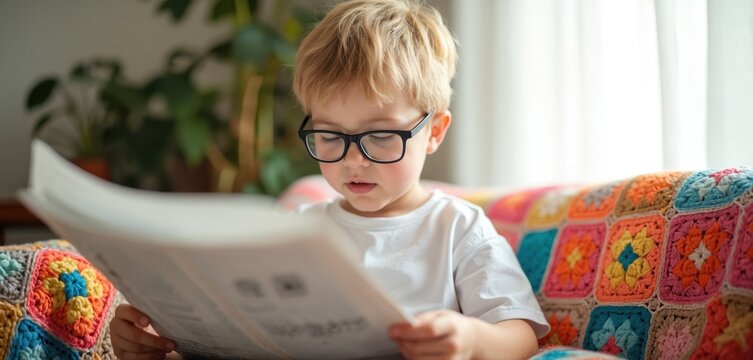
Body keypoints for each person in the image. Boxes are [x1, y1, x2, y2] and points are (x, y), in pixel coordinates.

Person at [109, 1, 549, 359]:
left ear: (433, 132)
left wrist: (470, 342)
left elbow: (520, 333)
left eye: (379, 136)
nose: (353, 160)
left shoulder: (457, 227)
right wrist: (159, 344)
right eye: (329, 135)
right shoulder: (298, 229)